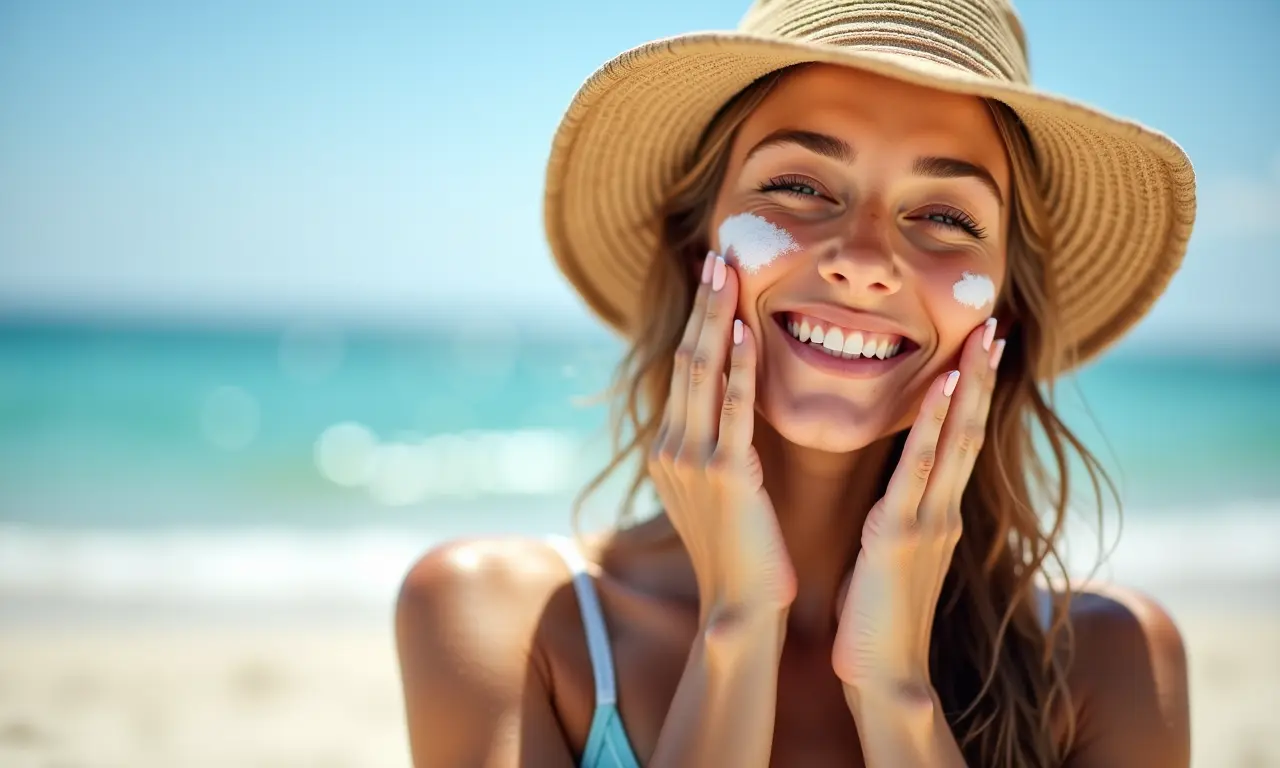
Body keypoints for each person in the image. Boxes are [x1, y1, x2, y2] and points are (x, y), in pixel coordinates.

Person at [396, 0, 1196, 765]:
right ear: (697, 251)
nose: (866, 260)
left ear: (1003, 315)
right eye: (801, 187)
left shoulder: (1111, 666)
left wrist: (896, 693)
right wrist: (737, 624)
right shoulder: (506, 619)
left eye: (947, 218)